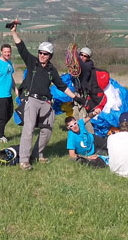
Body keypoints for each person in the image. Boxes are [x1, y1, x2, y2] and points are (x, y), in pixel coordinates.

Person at [9, 21, 84, 170]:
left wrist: (75, 97)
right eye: (40, 53)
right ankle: (24, 160)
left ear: (50, 56)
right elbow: (21, 48)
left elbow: (61, 86)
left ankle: (38, 153)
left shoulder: (51, 70)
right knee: (28, 130)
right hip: (32, 100)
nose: (42, 56)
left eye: (45, 54)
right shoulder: (32, 63)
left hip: (46, 103)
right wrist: (13, 32)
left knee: (48, 129)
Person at [0, 43, 17, 142]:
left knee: (9, 114)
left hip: (8, 94)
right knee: (2, 117)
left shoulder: (9, 63)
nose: (7, 53)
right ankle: (1, 136)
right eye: (5, 52)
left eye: (9, 52)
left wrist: (16, 89)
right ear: (1, 52)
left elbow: (11, 77)